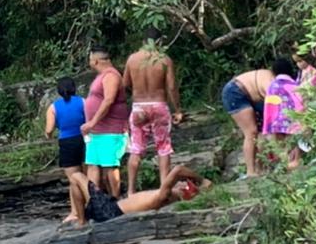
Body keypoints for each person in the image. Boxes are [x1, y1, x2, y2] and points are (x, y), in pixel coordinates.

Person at [122, 27, 182, 196]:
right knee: (163, 147)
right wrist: (177, 109)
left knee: (136, 149)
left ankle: (131, 191)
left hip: (139, 106)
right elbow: (171, 87)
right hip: (159, 106)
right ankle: (164, 187)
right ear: (159, 42)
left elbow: (125, 84)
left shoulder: (132, 59)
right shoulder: (164, 59)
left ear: (143, 41)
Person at [66, 164, 212, 227]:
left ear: (184, 193)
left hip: (109, 211)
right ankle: (80, 217)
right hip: (111, 205)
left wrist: (202, 180)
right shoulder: (162, 195)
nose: (180, 183)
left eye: (184, 185)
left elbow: (178, 170)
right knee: (75, 181)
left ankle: (81, 221)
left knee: (77, 176)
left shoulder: (163, 196)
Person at [80, 46, 129, 198]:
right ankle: (94, 199)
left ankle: (116, 199)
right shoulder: (100, 76)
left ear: (95, 60)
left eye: (89, 59)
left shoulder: (111, 76)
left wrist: (93, 122)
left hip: (111, 130)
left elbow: (108, 100)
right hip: (96, 133)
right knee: (93, 165)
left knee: (110, 166)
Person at [221, 63, 277, 177]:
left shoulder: (277, 84)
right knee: (251, 132)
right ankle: (250, 171)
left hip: (255, 97)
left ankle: (261, 167)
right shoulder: (271, 83)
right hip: (235, 92)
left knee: (262, 132)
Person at [44, 77, 86, 225]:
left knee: (73, 179)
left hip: (67, 142)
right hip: (84, 139)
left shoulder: (53, 107)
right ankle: (91, 204)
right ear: (74, 88)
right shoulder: (83, 102)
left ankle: (75, 211)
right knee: (87, 176)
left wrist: (48, 135)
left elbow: (49, 129)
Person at [261, 56, 305, 171]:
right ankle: (296, 161)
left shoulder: (272, 86)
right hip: (293, 119)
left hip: (277, 121)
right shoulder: (295, 85)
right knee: (294, 142)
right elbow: (300, 102)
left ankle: (286, 162)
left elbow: (269, 106)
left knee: (283, 145)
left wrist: (269, 123)